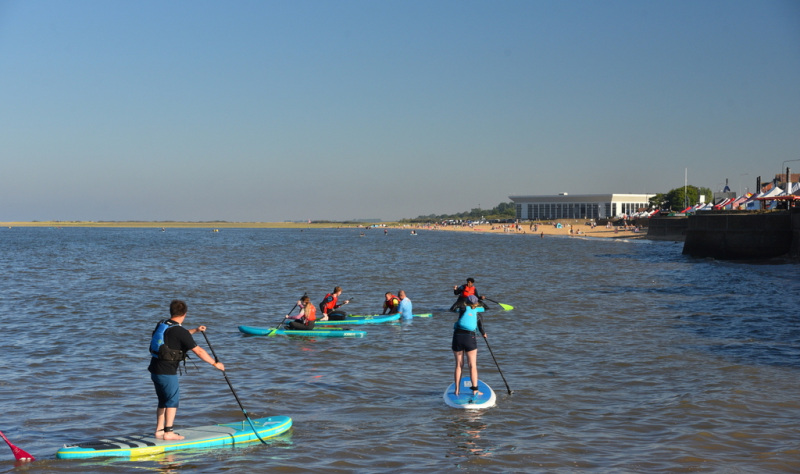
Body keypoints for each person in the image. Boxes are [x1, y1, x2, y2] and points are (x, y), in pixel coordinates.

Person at [148, 299, 224, 441]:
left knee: (163, 400)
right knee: (172, 400)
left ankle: (159, 430)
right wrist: (215, 364)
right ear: (185, 314)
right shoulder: (180, 331)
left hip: (154, 369)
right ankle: (168, 432)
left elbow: (177, 336)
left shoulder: (163, 324)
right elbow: (199, 351)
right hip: (167, 371)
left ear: (171, 312)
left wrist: (195, 330)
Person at [451, 295, 487, 397]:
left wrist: (461, 301)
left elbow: (453, 308)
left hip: (457, 337)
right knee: (472, 365)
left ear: (466, 302)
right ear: (476, 304)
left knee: (459, 365)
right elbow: (480, 327)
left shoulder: (462, 309)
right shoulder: (478, 313)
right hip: (469, 338)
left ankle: (457, 390)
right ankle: (475, 390)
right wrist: (484, 334)